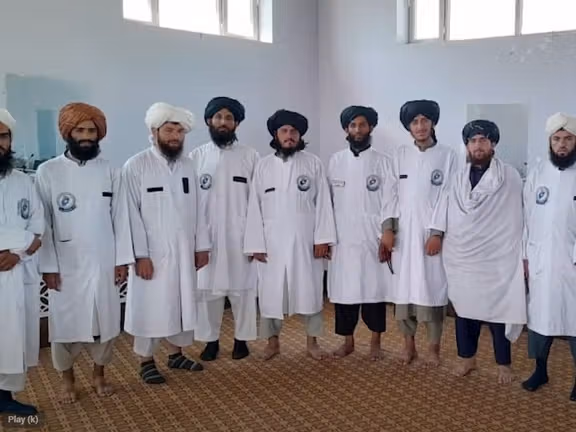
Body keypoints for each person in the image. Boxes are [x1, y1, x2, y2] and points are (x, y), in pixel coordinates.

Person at [35, 103, 134, 403]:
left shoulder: (112, 171)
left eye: (92, 131)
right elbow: (43, 224)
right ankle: (67, 380)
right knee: (64, 324)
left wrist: (121, 261)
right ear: (68, 133)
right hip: (65, 263)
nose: (87, 136)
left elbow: (122, 218)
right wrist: (48, 266)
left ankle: (99, 375)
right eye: (80, 130)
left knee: (105, 322)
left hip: (104, 260)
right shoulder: (48, 171)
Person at [430, 120, 527, 384]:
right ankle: (467, 358)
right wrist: (436, 234)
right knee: (464, 309)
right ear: (467, 146)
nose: (478, 145)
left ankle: (503, 363)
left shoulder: (510, 176)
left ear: (493, 143)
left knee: (499, 310)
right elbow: (443, 207)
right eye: (472, 141)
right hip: (462, 255)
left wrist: (522, 253)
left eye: (483, 140)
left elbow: (518, 215)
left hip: (497, 257)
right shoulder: (456, 177)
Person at [123, 102, 211, 385]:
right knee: (150, 306)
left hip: (184, 251)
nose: (175, 136)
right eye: (169, 130)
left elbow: (199, 208)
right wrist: (140, 255)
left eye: (180, 131)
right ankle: (145, 360)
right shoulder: (136, 166)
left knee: (181, 302)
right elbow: (129, 215)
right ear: (154, 132)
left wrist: (202, 246)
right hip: (151, 255)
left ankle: (176, 354)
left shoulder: (188, 165)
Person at [244, 109, 336, 361]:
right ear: (276, 135)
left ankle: (312, 342)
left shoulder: (313, 163)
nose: (289, 136)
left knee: (310, 291)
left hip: (304, 240)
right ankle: (272, 343)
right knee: (271, 293)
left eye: (294, 131)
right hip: (271, 241)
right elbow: (254, 207)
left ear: (300, 135)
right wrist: (255, 244)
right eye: (284, 131)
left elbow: (324, 204)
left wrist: (322, 239)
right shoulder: (263, 166)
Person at [190, 97, 258, 361]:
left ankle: (242, 340)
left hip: (241, 236)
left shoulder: (250, 156)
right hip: (206, 237)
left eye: (229, 118)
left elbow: (258, 202)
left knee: (243, 291)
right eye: (218, 117)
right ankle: (210, 341)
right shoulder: (196, 157)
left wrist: (256, 241)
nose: (223, 122)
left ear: (237, 123)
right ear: (209, 120)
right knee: (207, 292)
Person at [327, 105, 397, 360]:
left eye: (362, 125)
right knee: (345, 294)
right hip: (342, 239)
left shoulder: (384, 162)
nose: (358, 130)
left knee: (374, 294)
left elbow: (390, 201)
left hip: (372, 238)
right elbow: (327, 204)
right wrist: (326, 237)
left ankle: (375, 342)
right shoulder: (335, 161)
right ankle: (348, 342)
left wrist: (387, 234)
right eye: (353, 125)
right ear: (346, 129)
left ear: (371, 128)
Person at [391, 100, 456, 366]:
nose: (420, 126)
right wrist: (388, 229)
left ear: (433, 123)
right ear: (409, 127)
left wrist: (437, 232)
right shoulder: (399, 155)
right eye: (415, 122)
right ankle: (409, 346)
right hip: (404, 236)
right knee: (404, 291)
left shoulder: (448, 156)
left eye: (424, 121)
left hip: (432, 236)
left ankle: (433, 348)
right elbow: (390, 194)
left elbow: (449, 196)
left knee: (432, 290)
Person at [521, 112, 576, 401]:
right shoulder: (537, 173)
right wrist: (524, 257)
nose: (562, 145)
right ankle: (540, 370)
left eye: (568, 139)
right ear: (550, 142)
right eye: (557, 139)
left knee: (574, 319)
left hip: (572, 263)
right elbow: (525, 219)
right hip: (541, 261)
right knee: (540, 319)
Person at [0, 109, 44, 415]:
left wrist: (18, 253)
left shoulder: (24, 182)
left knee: (12, 336)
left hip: (17, 270)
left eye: (3, 136)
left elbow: (39, 227)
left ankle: (4, 396)